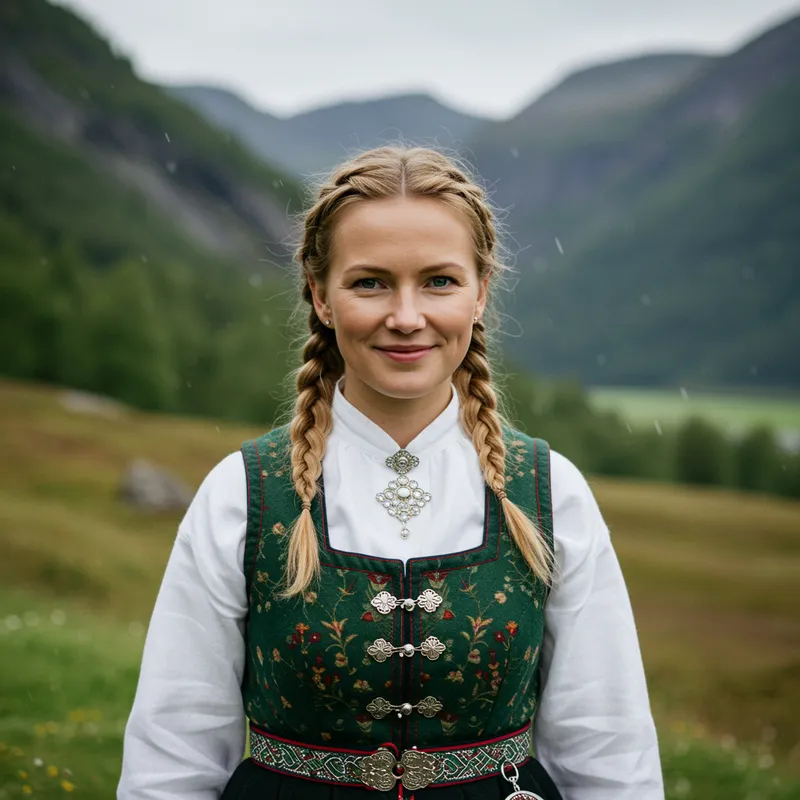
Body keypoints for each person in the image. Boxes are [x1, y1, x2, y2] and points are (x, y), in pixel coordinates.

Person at [117, 146, 664, 800]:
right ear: (320, 295)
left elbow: (607, 744)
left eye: (439, 281)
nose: (406, 317)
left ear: (481, 292)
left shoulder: (552, 494)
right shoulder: (242, 493)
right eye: (370, 282)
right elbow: (174, 747)